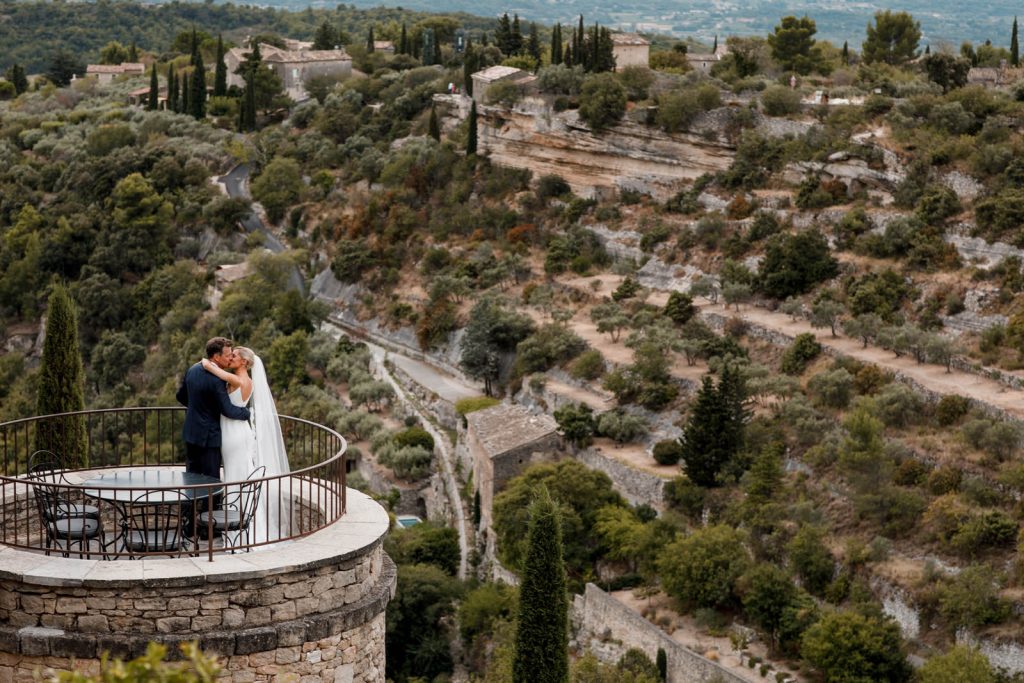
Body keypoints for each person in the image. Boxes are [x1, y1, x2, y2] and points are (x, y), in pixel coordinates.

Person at [200, 346, 290, 545]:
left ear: (244, 363)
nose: (230, 358)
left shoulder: (238, 380)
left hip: (234, 436)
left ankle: (241, 534)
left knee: (236, 480)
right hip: (239, 432)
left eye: (234, 356)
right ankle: (240, 529)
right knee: (239, 478)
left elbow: (214, 370)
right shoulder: (247, 381)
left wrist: (207, 363)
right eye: (231, 355)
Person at [176, 337, 251, 479]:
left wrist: (198, 407)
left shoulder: (192, 369)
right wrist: (246, 413)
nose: (230, 358)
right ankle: (210, 503)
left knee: (191, 478)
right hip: (209, 437)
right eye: (228, 355)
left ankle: (189, 502)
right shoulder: (218, 380)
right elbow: (227, 410)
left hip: (191, 433)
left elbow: (180, 396)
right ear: (216, 356)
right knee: (211, 481)